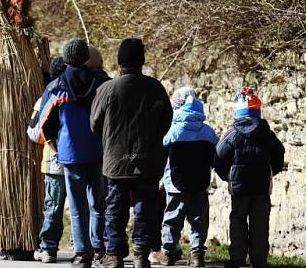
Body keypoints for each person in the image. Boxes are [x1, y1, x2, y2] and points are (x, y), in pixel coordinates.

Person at [90, 38, 173, 268]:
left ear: (119, 62)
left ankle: (115, 254)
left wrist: (110, 141)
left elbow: (94, 124)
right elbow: (166, 120)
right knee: (145, 207)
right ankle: (140, 253)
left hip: (116, 161)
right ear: (142, 60)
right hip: (148, 160)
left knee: (114, 207)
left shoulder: (107, 89)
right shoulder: (155, 88)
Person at [40, 38, 110, 268]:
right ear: (86, 58)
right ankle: (99, 248)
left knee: (78, 205)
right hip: (99, 151)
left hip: (69, 153)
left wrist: (55, 148)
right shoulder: (103, 83)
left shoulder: (56, 85)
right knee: (98, 202)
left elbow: (45, 124)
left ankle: (82, 253)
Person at [214, 87, 285, 268]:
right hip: (261, 187)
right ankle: (259, 260)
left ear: (238, 112)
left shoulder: (233, 134)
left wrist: (228, 176)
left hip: (239, 187)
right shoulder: (268, 135)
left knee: (238, 220)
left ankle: (237, 258)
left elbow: (219, 157)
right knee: (260, 223)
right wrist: (270, 173)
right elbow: (279, 156)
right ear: (258, 112)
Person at [160, 87, 219, 267]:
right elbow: (216, 155)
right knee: (198, 220)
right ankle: (197, 254)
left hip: (175, 184)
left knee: (172, 218)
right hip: (200, 183)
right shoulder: (208, 132)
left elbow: (164, 152)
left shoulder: (173, 131)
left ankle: (169, 253)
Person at [28, 56, 68, 263]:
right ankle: (86, 249)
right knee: (87, 207)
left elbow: (34, 132)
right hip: (86, 160)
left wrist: (51, 141)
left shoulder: (45, 98)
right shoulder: (89, 92)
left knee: (53, 207)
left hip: (55, 162)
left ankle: (48, 249)